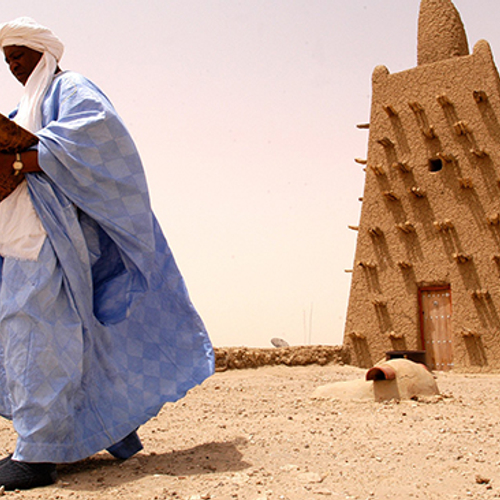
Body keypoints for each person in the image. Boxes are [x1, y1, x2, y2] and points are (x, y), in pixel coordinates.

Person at [0, 17, 214, 490]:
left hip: (55, 245)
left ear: (44, 54)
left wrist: (18, 159)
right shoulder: (23, 107)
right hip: (21, 240)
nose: (14, 66)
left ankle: (36, 456)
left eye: (21, 56)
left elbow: (99, 141)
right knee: (50, 340)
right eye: (8, 60)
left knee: (38, 336)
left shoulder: (71, 89)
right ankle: (103, 427)